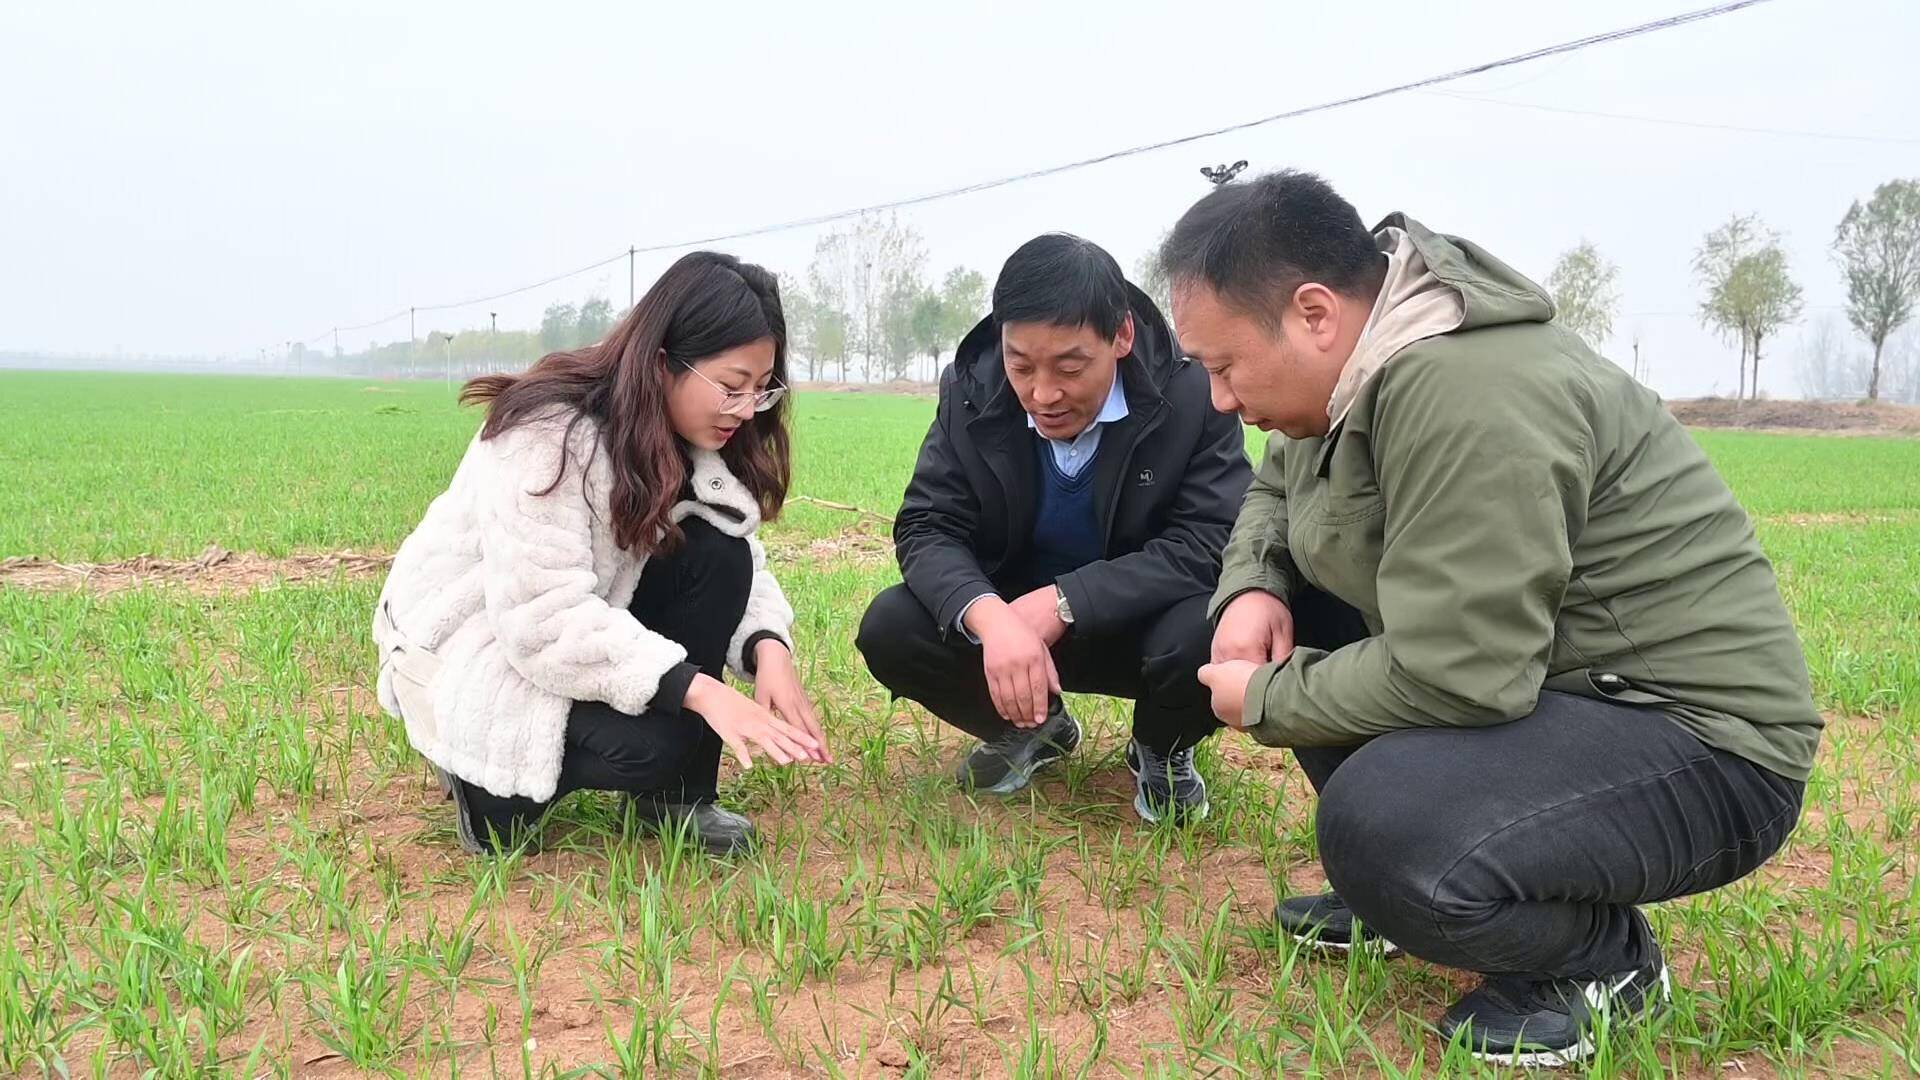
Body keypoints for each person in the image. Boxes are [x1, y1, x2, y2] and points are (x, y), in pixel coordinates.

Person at [1163, 170, 1821, 1065]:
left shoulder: (1464, 389)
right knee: (1318, 613)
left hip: (1703, 744)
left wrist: (1271, 697)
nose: (1220, 401)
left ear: (1315, 313)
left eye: (1224, 365)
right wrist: (1254, 588)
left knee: (1379, 825)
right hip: (1565, 688)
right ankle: (1423, 886)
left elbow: (1463, 669)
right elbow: (1279, 479)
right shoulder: (1359, 369)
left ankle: (1600, 969)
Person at [372, 251, 829, 858]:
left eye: (760, 391)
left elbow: (740, 554)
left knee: (720, 556)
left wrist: (768, 649)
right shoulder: (549, 435)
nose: (746, 412)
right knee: (651, 743)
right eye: (731, 387)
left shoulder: (689, 435)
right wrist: (704, 691)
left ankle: (677, 801)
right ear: (664, 362)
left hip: (570, 618)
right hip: (473, 642)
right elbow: (541, 618)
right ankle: (484, 784)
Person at [857, 234, 1251, 822]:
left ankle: (1161, 749)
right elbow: (928, 524)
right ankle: (1031, 730)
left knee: (1214, 624)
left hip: (1141, 626)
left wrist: (1067, 601)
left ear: (1121, 336)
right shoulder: (972, 392)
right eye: (1021, 365)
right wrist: (992, 618)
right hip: (1010, 632)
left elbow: (1209, 540)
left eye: (1070, 367)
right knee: (893, 626)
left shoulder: (1191, 395)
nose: (1042, 394)